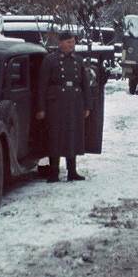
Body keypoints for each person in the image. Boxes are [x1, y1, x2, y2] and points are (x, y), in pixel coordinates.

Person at [36, 32, 91, 182]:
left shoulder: (78, 61)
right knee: (55, 136)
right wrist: (41, 108)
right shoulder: (50, 60)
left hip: (74, 103)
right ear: (60, 43)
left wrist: (87, 105)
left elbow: (85, 84)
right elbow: (42, 85)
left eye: (73, 42)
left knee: (72, 135)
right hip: (56, 103)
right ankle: (54, 172)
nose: (71, 45)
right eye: (68, 42)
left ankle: (72, 171)